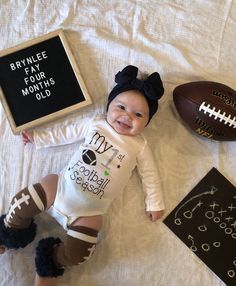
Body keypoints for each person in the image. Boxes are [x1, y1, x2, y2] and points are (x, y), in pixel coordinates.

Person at [0, 65, 165, 286]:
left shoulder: (140, 146)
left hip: (89, 211)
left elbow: (150, 175)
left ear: (146, 122)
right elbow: (66, 132)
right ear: (109, 106)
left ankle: (50, 260)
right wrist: (39, 138)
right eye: (121, 107)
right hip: (59, 189)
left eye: (138, 114)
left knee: (79, 255)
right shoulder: (96, 123)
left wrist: (154, 203)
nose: (127, 117)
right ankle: (9, 233)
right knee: (19, 205)